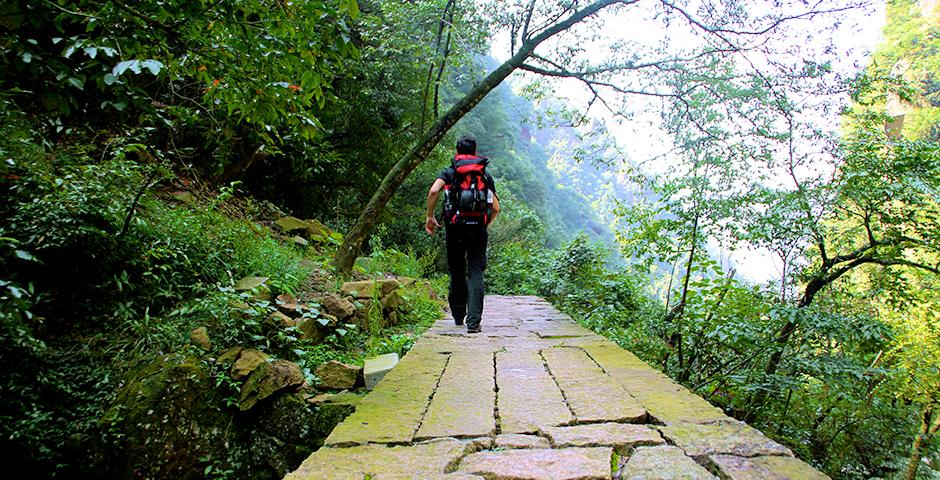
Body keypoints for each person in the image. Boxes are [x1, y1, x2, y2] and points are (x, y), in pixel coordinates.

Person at [425, 135, 500, 333]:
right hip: (478, 229)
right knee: (475, 271)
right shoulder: (484, 175)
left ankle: (459, 315)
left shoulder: (450, 172)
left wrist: (430, 216)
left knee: (457, 270)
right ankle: (473, 323)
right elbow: (496, 208)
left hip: (454, 228)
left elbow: (434, 191)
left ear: (457, 151)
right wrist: (486, 224)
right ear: (475, 152)